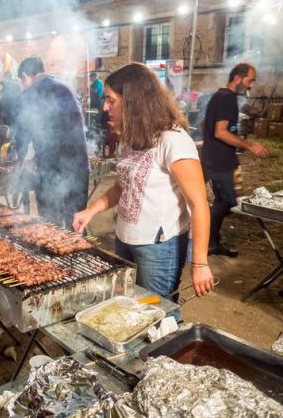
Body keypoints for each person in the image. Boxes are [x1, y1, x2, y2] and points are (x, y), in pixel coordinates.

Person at [73, 63, 214, 303]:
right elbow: (121, 186)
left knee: (157, 310)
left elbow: (199, 204)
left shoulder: (174, 140)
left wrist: (200, 263)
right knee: (128, 305)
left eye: (111, 100)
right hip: (124, 238)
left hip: (158, 247)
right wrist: (91, 210)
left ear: (133, 101)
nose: (105, 107)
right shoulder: (130, 138)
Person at [201, 63, 268, 257]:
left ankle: (210, 242)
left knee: (226, 199)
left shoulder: (221, 96)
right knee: (226, 201)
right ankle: (208, 242)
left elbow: (208, 125)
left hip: (221, 158)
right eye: (250, 80)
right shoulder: (227, 99)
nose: (252, 85)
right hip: (219, 160)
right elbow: (220, 132)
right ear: (238, 78)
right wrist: (250, 145)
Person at [16, 56, 89, 228]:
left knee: (51, 226)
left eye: (21, 81)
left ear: (25, 76)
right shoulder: (66, 87)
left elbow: (22, 135)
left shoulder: (30, 93)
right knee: (76, 223)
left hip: (51, 170)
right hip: (79, 167)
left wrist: (19, 161)